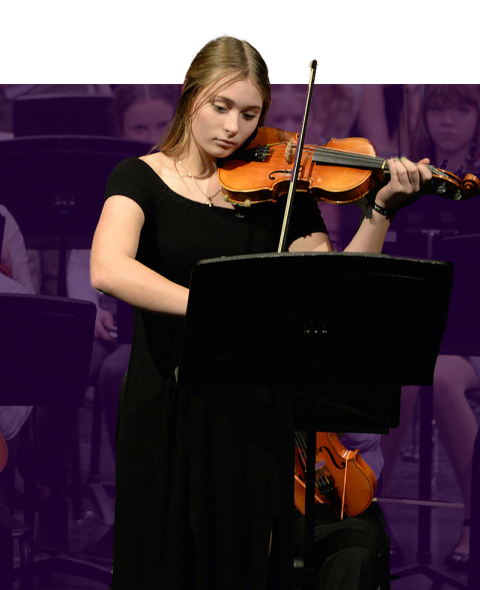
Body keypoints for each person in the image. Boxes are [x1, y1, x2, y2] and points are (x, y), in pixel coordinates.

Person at [90, 36, 432, 589]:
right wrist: (220, 306)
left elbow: (333, 286)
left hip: (251, 410)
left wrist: (380, 210)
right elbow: (108, 268)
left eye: (250, 114)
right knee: (158, 563)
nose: (234, 127)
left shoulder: (280, 191)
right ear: (189, 94)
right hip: (165, 401)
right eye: (220, 107)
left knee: (241, 566)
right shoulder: (139, 178)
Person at [379, 84, 480, 571]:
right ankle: (370, 516)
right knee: (398, 379)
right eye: (438, 108)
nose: (448, 120)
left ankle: (473, 521)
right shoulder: (406, 180)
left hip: (471, 338)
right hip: (415, 333)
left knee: (440, 376)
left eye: (462, 108)